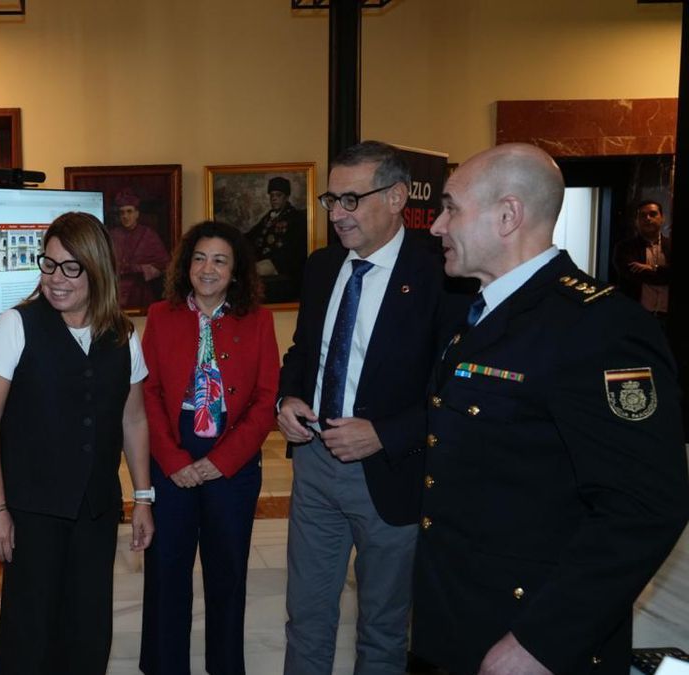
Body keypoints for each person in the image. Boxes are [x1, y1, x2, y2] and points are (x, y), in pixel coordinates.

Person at [415, 142, 689, 674]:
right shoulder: (474, 314)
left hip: (533, 635)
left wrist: (540, 640)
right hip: (456, 615)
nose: (436, 226)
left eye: (451, 208)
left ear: (508, 215)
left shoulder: (600, 328)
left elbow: (644, 509)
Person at [277, 141, 455, 674]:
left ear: (398, 196)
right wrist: (288, 398)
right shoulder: (322, 266)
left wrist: (384, 434)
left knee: (382, 627)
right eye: (332, 199)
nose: (336, 214)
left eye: (351, 200)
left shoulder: (441, 274)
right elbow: (304, 352)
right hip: (314, 467)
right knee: (305, 616)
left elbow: (456, 392)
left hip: (392, 474)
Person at [0, 211, 155, 674]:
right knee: (30, 630)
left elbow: (133, 420)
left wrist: (144, 498)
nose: (56, 279)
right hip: (32, 509)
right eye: (49, 264)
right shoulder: (16, 326)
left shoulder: (124, 336)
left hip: (96, 508)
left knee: (89, 627)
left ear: (96, 270)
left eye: (71, 267)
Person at [139, 221, 279, 675]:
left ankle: (225, 665)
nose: (208, 268)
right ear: (186, 264)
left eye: (220, 260)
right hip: (173, 450)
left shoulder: (258, 319)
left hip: (231, 457)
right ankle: (165, 664)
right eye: (199, 258)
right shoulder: (161, 315)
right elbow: (148, 393)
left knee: (227, 573)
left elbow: (265, 399)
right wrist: (173, 460)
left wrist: (221, 461)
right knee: (166, 570)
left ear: (236, 271)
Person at [612, 199, 671, 332]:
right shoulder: (624, 248)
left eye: (653, 214)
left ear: (662, 218)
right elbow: (635, 275)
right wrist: (664, 273)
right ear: (636, 222)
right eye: (642, 215)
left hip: (669, 319)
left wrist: (653, 268)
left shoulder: (672, 246)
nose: (648, 218)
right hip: (636, 317)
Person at [246, 176, 308, 303]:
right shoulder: (269, 216)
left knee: (249, 272)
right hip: (266, 261)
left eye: (278, 195)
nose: (274, 199)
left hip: (281, 265)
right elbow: (252, 235)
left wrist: (273, 262)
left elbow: (294, 249)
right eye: (271, 195)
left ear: (286, 197)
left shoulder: (296, 218)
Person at [110, 189, 171, 309]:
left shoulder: (149, 235)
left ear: (137, 214)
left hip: (140, 291)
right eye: (122, 213)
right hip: (115, 292)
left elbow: (164, 264)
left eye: (129, 211)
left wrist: (137, 268)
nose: (125, 216)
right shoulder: (112, 235)